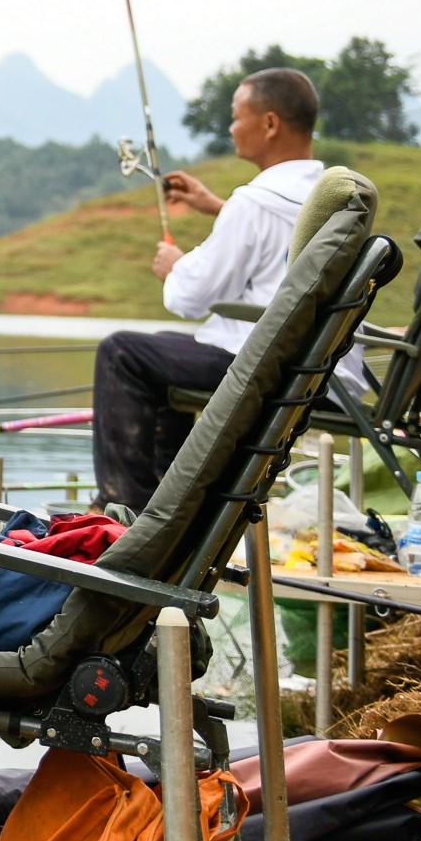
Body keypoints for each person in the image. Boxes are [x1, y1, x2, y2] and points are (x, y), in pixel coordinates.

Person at [89, 66, 326, 512]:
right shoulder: (323, 193)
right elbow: (280, 237)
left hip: (262, 362)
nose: (231, 128)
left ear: (270, 123)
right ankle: (172, 504)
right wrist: (218, 207)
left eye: (237, 117)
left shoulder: (255, 202)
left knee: (122, 353)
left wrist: (174, 267)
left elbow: (191, 297)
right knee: (158, 352)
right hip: (312, 363)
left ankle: (127, 510)